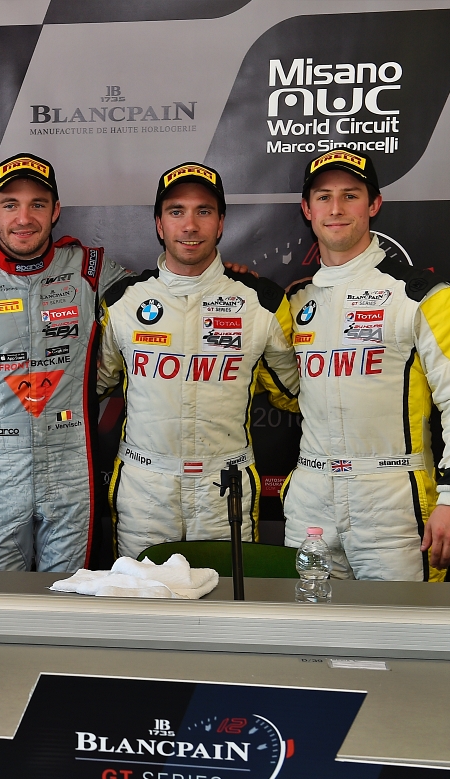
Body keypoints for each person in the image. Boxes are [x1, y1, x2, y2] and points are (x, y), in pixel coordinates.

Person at [284, 149, 450, 581]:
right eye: (323, 197)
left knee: (398, 624)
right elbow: (278, 384)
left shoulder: (423, 294)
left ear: (374, 204)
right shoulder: (294, 301)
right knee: (308, 622)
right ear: (307, 209)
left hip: (392, 501)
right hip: (310, 502)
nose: (336, 208)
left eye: (350, 195)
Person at [0, 153, 129, 571]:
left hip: (73, 468)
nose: (24, 218)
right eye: (11, 204)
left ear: (56, 211)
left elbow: (159, 304)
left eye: (37, 204)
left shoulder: (92, 271)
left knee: (71, 596)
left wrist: (229, 278)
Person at [97, 163, 300, 559]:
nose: (190, 225)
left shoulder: (261, 301)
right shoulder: (121, 301)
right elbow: (89, 386)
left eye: (203, 211)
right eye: (176, 211)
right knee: (143, 594)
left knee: (225, 596)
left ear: (221, 223)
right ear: (159, 224)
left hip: (224, 486)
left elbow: (297, 393)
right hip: (145, 486)